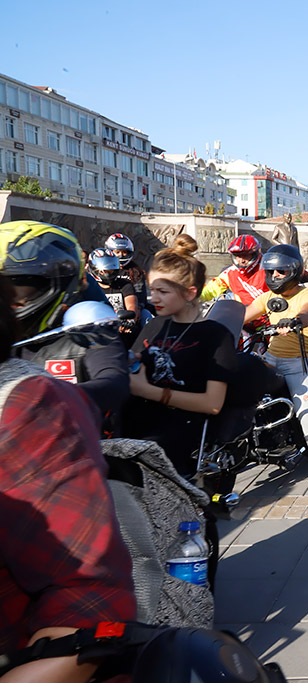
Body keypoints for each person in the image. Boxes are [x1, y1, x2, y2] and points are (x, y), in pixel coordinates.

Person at [0, 275, 136, 683]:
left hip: (84, 444)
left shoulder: (85, 331)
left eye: (29, 287)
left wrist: (74, 400)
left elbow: (113, 381)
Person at [124, 235, 237, 476]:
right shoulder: (155, 325)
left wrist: (149, 392)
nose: (153, 298)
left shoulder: (216, 335)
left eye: (162, 291)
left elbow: (213, 404)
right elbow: (131, 364)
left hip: (181, 434)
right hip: (137, 420)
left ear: (189, 293)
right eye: (152, 290)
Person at [1, 221, 129, 419]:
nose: (7, 300)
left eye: (16, 288)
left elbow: (113, 381)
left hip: (77, 442)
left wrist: (50, 399)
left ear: (56, 282)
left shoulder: (87, 324)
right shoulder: (5, 331)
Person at [244, 244, 308, 487]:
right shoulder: (268, 297)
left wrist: (296, 321)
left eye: (280, 272)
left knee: (305, 411)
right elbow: (244, 313)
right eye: (271, 272)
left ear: (293, 271)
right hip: (271, 359)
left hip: (301, 363)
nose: (274, 277)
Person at [200, 234, 268, 306]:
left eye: (245, 255)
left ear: (255, 254)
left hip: (268, 313)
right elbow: (210, 290)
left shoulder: (268, 270)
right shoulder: (230, 273)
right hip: (243, 314)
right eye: (238, 256)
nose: (241, 260)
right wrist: (191, 295)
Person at [105, 232, 149, 306]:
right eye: (117, 252)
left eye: (124, 252)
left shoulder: (136, 272)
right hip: (109, 306)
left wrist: (138, 307)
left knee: (146, 314)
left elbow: (140, 294)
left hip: (132, 306)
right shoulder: (104, 270)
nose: (121, 255)